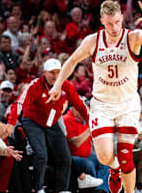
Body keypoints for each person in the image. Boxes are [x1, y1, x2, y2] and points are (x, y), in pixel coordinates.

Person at [47, 0, 142, 193]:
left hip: (127, 104)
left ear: (122, 18)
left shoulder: (131, 37)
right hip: (102, 104)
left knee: (126, 155)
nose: (114, 27)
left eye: (117, 22)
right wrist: (57, 85)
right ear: (101, 21)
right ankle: (113, 168)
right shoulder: (93, 41)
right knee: (105, 156)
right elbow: (72, 61)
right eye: (108, 23)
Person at [7, 58, 89, 193]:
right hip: (32, 120)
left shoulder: (65, 85)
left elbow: (80, 105)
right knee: (41, 154)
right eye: (52, 73)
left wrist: (92, 121)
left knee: (65, 156)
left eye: (58, 72)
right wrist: (10, 123)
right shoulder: (35, 85)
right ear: (44, 72)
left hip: (52, 121)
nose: (56, 76)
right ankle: (38, 188)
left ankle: (62, 189)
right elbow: (19, 103)